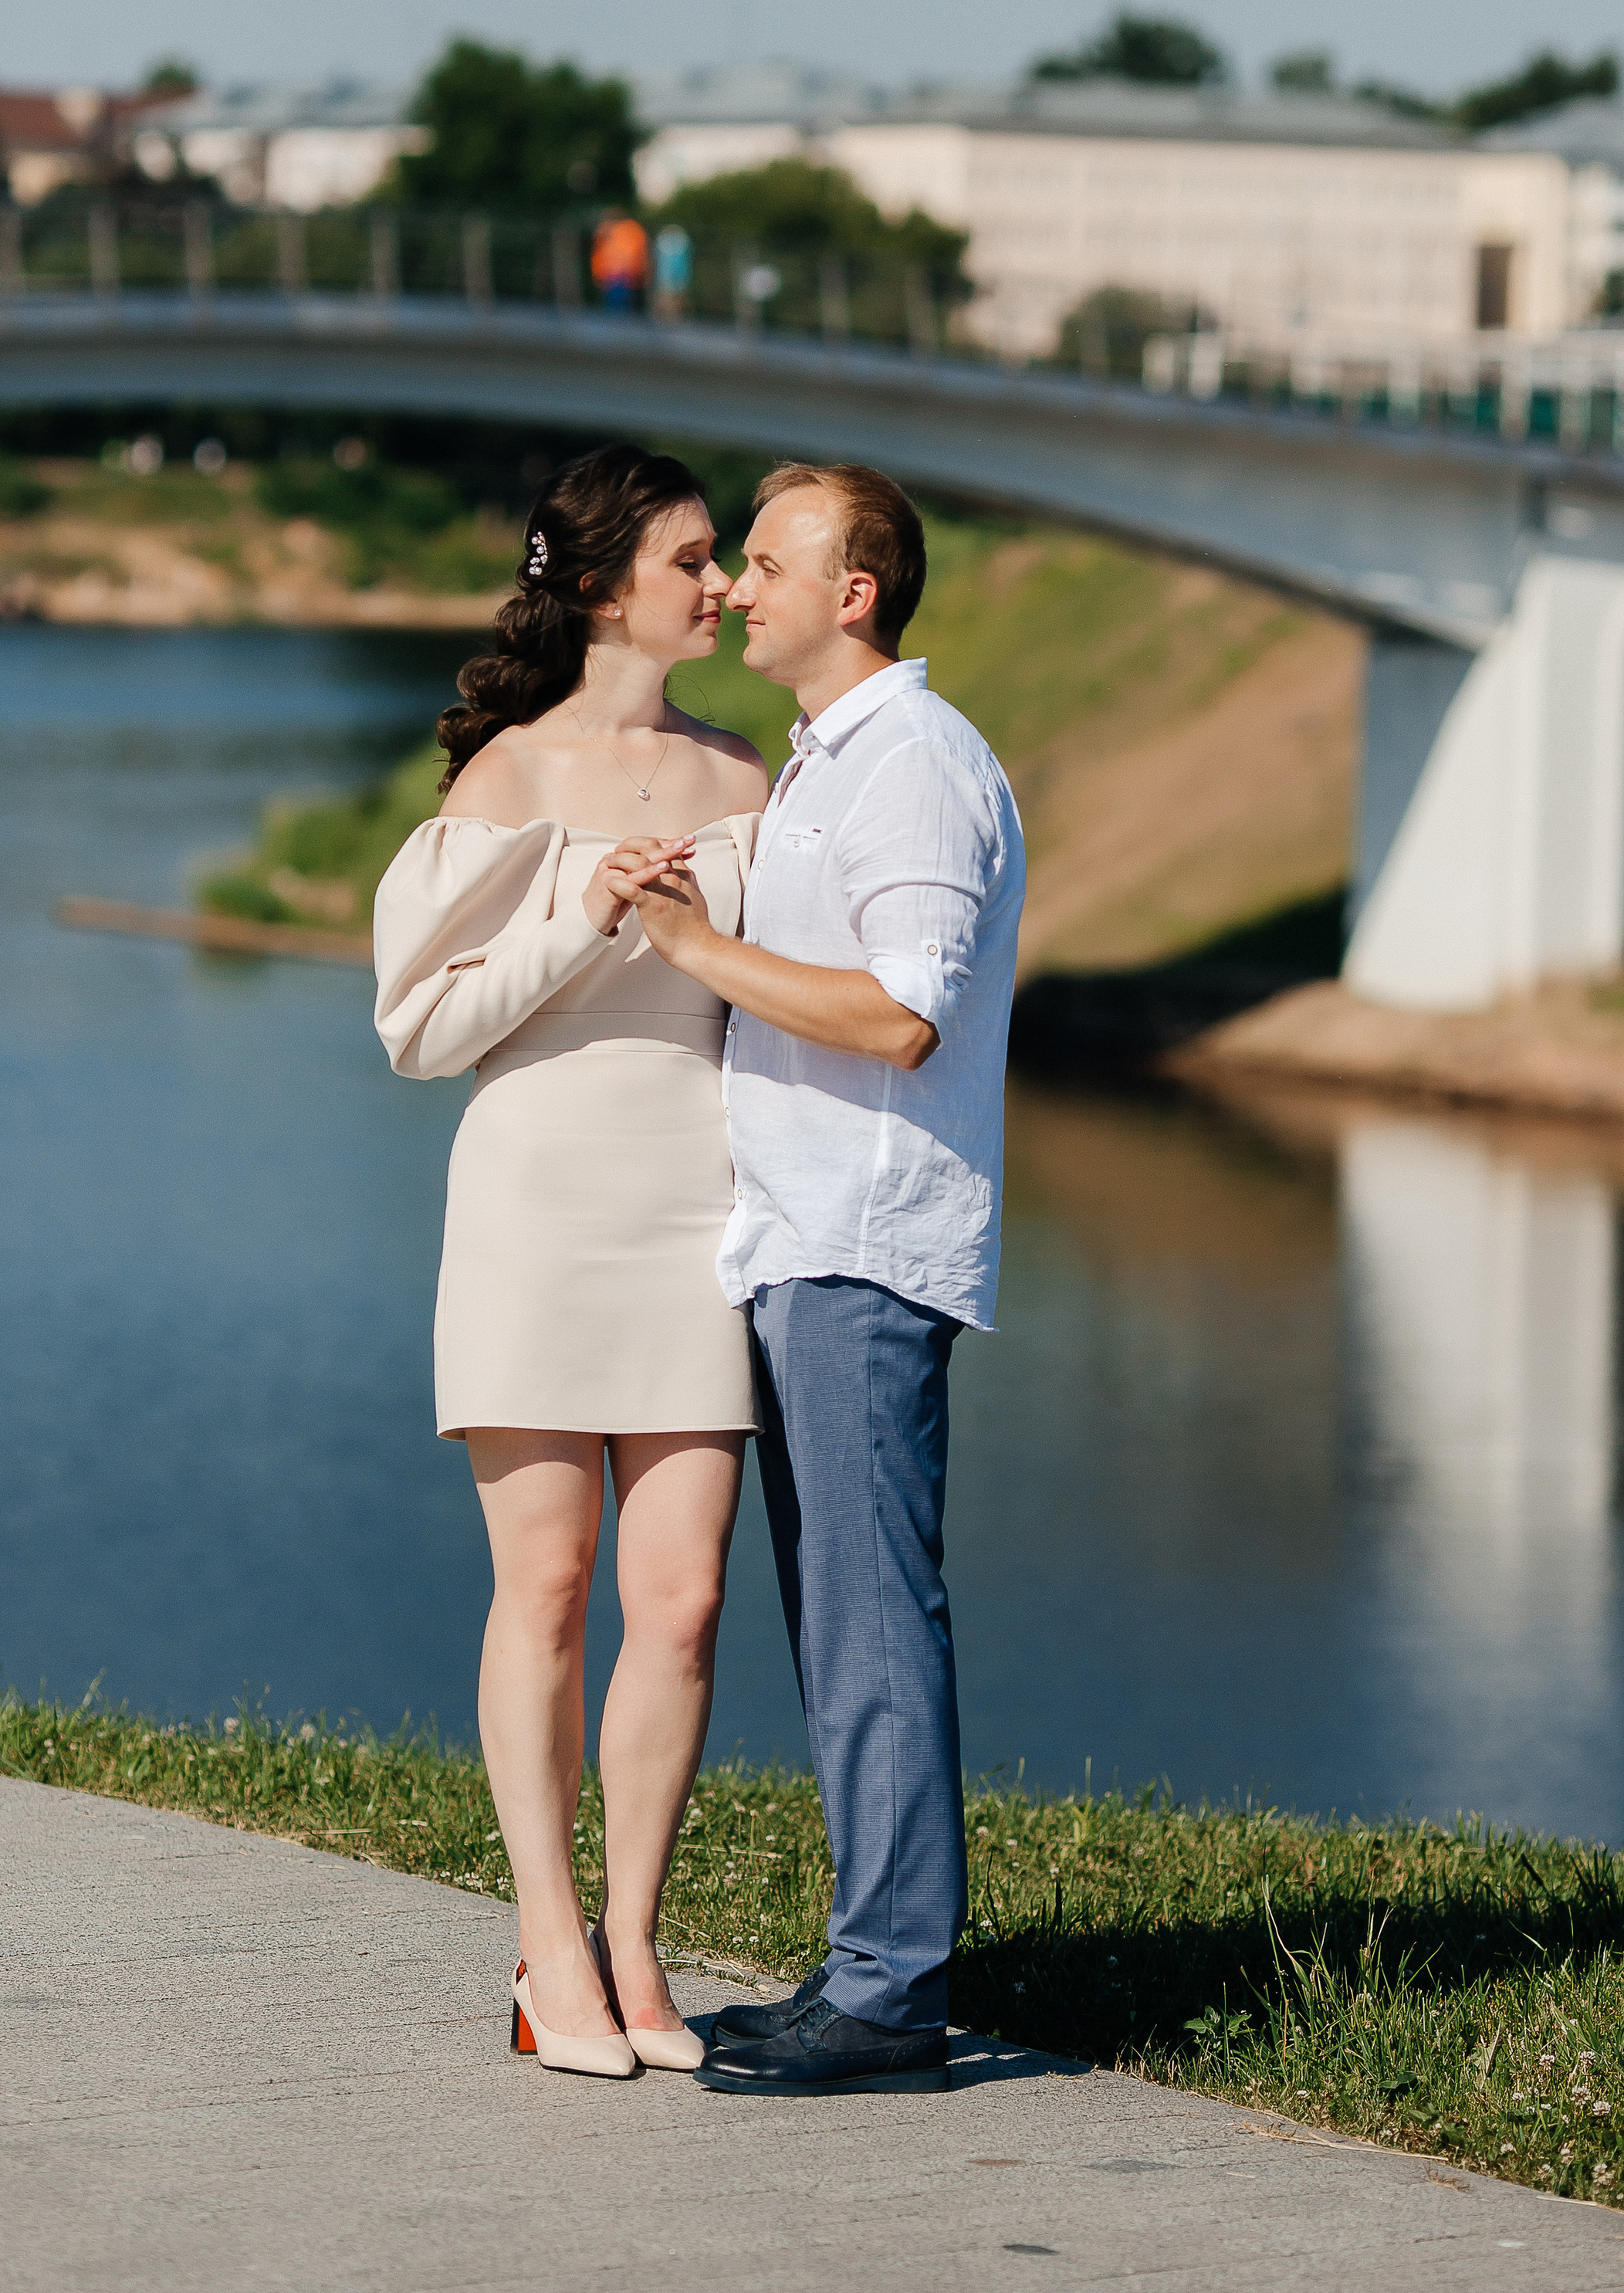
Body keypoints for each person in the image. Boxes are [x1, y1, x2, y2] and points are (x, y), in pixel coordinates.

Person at [605, 461, 1024, 2095]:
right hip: (799, 1242)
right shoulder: (829, 763)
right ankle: (867, 1969)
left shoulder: (911, 762)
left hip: (860, 1244)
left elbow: (900, 1012)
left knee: (867, 1626)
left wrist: (695, 950)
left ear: (855, 593)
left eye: (767, 562)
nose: (735, 589)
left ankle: (890, 1998)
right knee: (837, 1621)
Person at [371, 442, 768, 2081]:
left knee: (675, 1606)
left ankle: (634, 1947)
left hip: (704, 1206)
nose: (723, 584)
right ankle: (548, 1953)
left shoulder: (749, 781)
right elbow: (418, 1032)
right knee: (541, 1592)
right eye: (694, 559)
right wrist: (578, 913)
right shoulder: (505, 783)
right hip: (538, 1204)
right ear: (608, 587)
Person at [590, 212, 650, 311]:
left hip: (618, 275)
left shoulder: (625, 230)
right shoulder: (628, 229)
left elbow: (627, 254)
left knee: (618, 309)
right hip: (616, 274)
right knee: (619, 307)